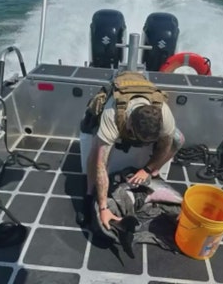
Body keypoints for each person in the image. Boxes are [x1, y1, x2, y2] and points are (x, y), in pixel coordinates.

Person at [77, 71, 185, 230]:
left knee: (179, 139)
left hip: (144, 102)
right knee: (95, 152)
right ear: (128, 125)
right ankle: (88, 194)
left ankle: (155, 173)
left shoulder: (164, 113)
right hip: (116, 110)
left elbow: (168, 143)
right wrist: (103, 208)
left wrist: (148, 169)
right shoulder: (112, 115)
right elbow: (100, 165)